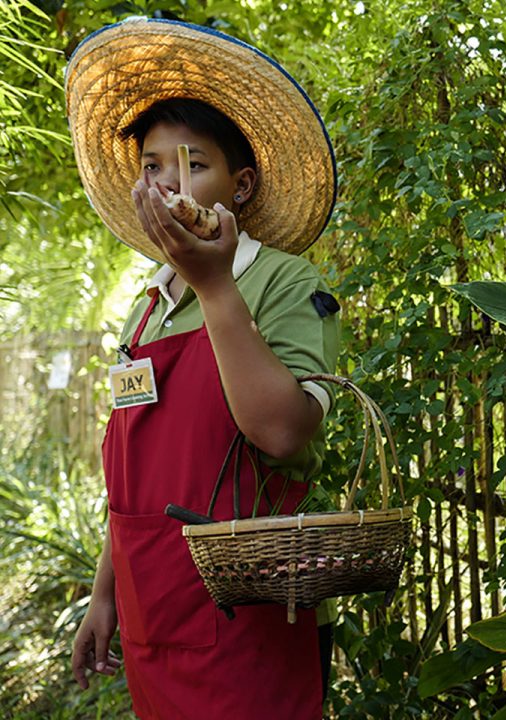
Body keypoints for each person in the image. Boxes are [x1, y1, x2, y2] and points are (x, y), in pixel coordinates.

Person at [65, 17, 340, 719]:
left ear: (240, 185)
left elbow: (283, 435)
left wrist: (217, 285)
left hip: (244, 626)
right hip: (152, 616)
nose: (168, 182)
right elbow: (133, 481)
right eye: (153, 165)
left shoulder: (280, 281)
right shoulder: (145, 307)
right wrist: (105, 594)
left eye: (194, 163)